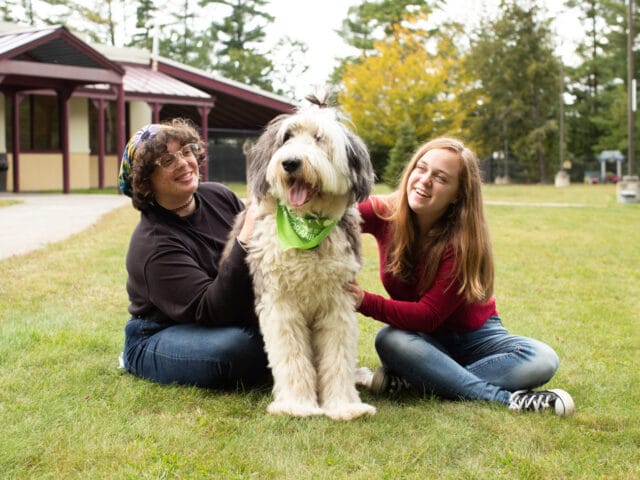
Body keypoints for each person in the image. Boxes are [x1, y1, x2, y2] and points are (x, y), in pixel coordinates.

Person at [346, 137, 575, 415]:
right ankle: (503, 397)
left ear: (457, 194)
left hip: (477, 338)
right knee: (389, 339)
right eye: (421, 168)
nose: (425, 180)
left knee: (542, 359)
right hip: (418, 340)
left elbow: (428, 315)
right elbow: (332, 218)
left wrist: (363, 300)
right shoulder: (384, 211)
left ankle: (422, 380)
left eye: (441, 178)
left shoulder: (463, 241)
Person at [117, 118, 269, 389]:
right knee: (236, 348)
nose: (184, 163)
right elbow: (211, 310)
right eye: (166, 161)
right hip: (162, 330)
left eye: (186, 151)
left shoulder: (218, 195)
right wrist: (244, 238)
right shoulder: (153, 245)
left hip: (222, 318)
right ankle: (132, 359)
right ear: (144, 182)